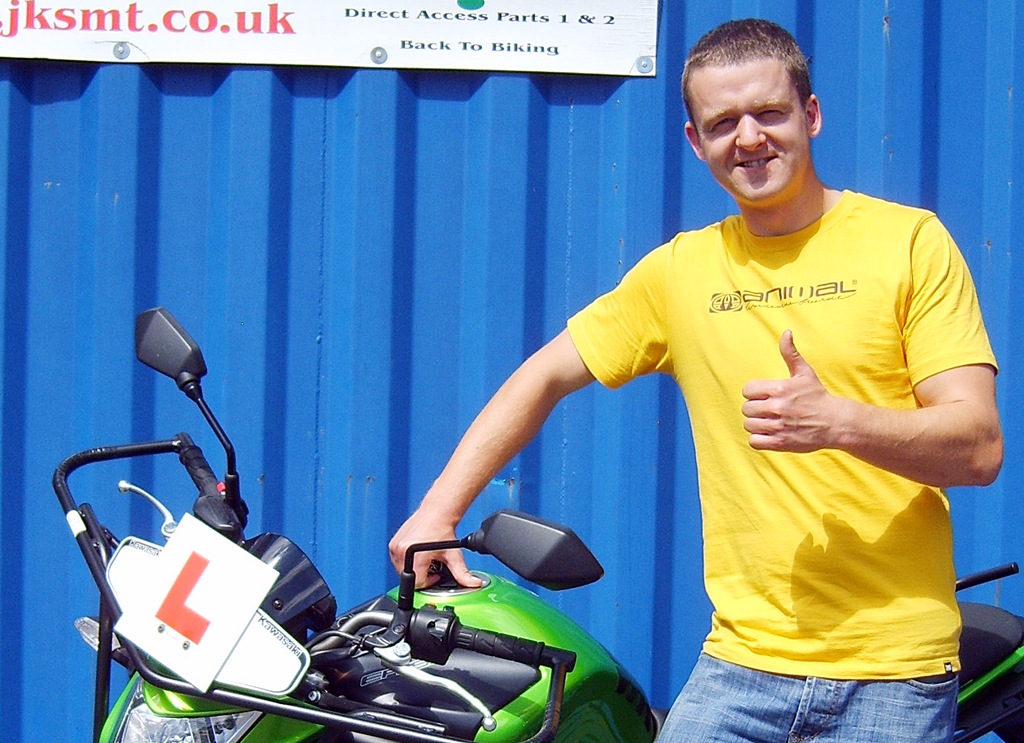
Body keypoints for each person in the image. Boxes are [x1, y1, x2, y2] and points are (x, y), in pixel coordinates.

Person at [389, 17, 1003, 742]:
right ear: (695, 140)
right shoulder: (681, 272)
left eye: (769, 112)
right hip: (739, 669)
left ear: (810, 114)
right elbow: (545, 374)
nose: (749, 138)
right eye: (722, 123)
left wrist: (838, 421)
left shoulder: (909, 243)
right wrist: (438, 511)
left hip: (892, 674)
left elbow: (978, 448)